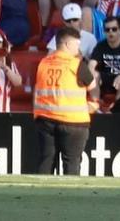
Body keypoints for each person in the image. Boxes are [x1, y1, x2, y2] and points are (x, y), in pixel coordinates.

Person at [34, 25, 97, 172]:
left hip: (45, 119)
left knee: (46, 160)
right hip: (73, 122)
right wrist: (94, 104)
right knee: (71, 163)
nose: (78, 49)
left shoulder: (43, 63)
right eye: (77, 44)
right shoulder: (76, 64)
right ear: (67, 44)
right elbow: (92, 86)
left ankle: (40, 193)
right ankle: (70, 193)